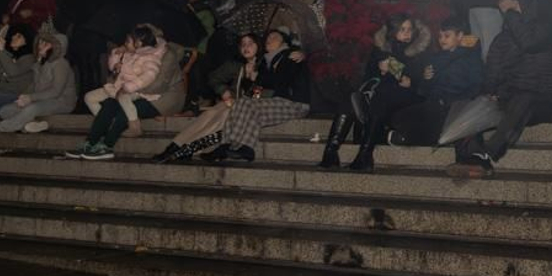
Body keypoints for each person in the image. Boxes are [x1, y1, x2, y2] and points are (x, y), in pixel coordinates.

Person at [446, 0, 552, 178]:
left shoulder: (545, 30)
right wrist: (488, 95)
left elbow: (528, 41)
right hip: (511, 99)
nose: (510, 10)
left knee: (525, 97)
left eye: (516, 6)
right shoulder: (501, 41)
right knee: (469, 101)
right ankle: (469, 156)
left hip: (542, 101)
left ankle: (490, 153)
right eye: (508, 8)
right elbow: (493, 74)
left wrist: (510, 12)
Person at [318, 13, 433, 170]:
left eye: (409, 29)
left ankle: (365, 155)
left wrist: (410, 81)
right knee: (349, 100)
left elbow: (423, 79)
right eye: (402, 29)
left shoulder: (420, 51)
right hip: (379, 91)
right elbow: (368, 76)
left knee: (381, 99)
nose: (407, 33)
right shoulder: (381, 49)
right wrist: (382, 71)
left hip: (407, 96)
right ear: (392, 31)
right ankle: (330, 153)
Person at [66, 25, 177, 160]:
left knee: (117, 109)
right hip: (120, 89)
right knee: (103, 103)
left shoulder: (156, 56)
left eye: (128, 41)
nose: (124, 44)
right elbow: (114, 68)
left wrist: (128, 87)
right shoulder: (131, 54)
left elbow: (151, 78)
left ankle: (106, 146)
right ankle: (91, 143)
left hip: (143, 94)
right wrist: (116, 56)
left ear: (139, 42)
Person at [202, 29, 311, 163]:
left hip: (294, 102)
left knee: (246, 104)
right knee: (243, 103)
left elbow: (281, 81)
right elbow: (256, 92)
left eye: (274, 37)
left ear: (284, 41)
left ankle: (229, 146)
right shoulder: (266, 62)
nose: (269, 39)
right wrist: (249, 79)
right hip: (276, 102)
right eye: (267, 37)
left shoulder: (290, 55)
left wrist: (257, 78)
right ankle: (238, 148)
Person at [154, 32, 262, 162]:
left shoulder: (264, 64)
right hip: (234, 103)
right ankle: (173, 147)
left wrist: (254, 78)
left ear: (258, 45)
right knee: (209, 114)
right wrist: (224, 91)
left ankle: (189, 149)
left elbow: (264, 92)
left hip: (251, 108)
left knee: (223, 115)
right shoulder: (237, 65)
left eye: (250, 43)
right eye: (243, 44)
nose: (246, 47)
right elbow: (213, 78)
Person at [385, 18, 485, 150]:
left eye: (447, 36)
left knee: (424, 121)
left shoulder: (471, 59)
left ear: (460, 36)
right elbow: (424, 91)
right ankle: (415, 137)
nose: (442, 39)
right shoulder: (436, 58)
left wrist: (455, 102)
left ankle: (414, 138)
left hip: (454, 107)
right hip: (434, 103)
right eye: (440, 36)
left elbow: (477, 86)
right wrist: (427, 79)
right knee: (398, 118)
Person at [0, 26, 77, 135]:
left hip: (62, 102)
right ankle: (30, 125)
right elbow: (34, 85)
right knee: (6, 110)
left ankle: (0, 128)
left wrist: (31, 98)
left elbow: (56, 91)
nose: (40, 46)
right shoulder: (39, 64)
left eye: (46, 44)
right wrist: (24, 97)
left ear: (57, 47)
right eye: (40, 43)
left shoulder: (60, 63)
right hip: (42, 100)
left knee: (32, 108)